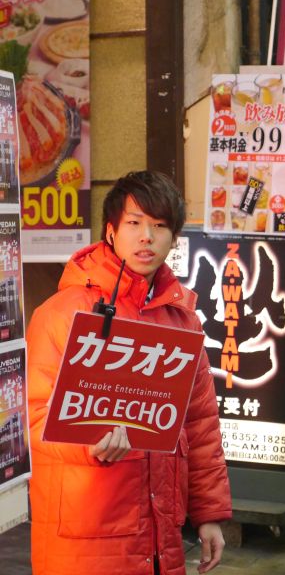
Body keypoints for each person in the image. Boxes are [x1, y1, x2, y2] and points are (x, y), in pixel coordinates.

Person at [27, 171, 231, 575]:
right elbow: (30, 419)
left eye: (159, 226)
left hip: (160, 538)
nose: (146, 237)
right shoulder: (62, 313)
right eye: (134, 223)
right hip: (84, 539)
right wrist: (89, 444)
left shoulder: (181, 319)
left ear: (174, 239)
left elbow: (200, 424)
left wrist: (209, 514)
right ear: (111, 231)